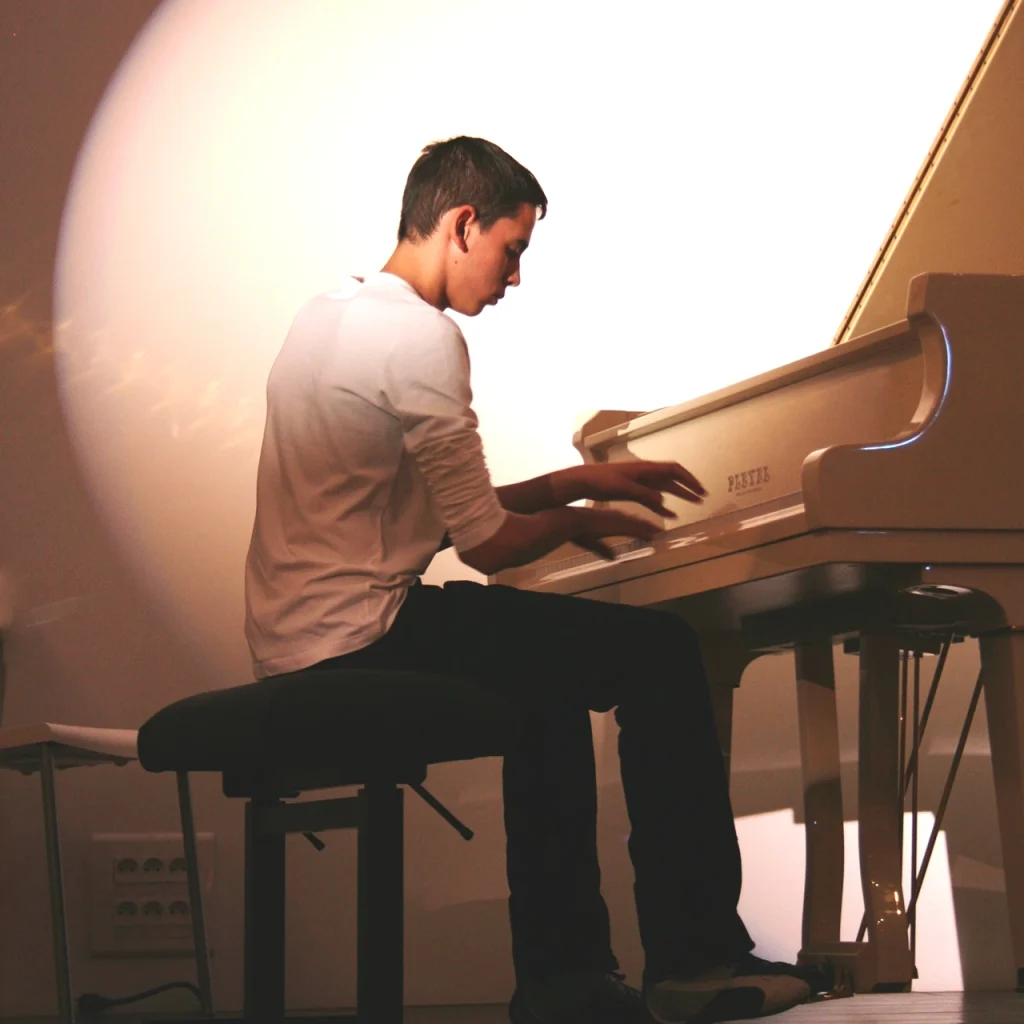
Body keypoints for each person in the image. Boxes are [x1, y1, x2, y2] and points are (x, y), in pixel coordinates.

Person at [244, 136, 820, 1023]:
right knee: (662, 652)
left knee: (543, 690)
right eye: (512, 250)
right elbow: (486, 545)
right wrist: (581, 524)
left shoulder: (327, 316)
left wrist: (575, 485)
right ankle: (696, 958)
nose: (515, 277)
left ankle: (565, 983)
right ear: (462, 224)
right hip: (365, 633)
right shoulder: (422, 337)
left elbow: (419, 512)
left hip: (297, 637)